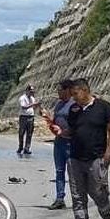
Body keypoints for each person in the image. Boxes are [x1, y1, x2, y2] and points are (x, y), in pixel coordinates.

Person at [61, 78, 110, 219]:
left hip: (96, 158)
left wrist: (108, 152)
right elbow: (72, 130)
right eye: (72, 95)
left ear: (85, 90)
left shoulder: (103, 107)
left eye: (75, 94)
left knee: (98, 193)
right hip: (75, 158)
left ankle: (109, 215)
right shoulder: (74, 110)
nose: (73, 97)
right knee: (77, 195)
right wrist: (62, 132)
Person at [41, 79, 75, 210]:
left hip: (71, 143)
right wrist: (48, 119)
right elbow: (54, 122)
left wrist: (64, 132)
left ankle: (77, 199)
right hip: (59, 142)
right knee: (59, 171)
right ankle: (60, 198)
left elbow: (76, 125)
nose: (58, 92)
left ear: (68, 90)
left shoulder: (74, 105)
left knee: (73, 173)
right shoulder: (59, 105)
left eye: (60, 90)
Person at [17, 85, 40, 156]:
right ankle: (20, 147)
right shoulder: (22, 98)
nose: (32, 93)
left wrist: (37, 105)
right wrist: (33, 104)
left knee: (29, 133)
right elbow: (24, 107)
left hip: (31, 117)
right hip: (23, 117)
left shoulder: (32, 98)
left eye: (32, 92)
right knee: (21, 133)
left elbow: (33, 107)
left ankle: (27, 148)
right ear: (27, 91)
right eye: (31, 91)